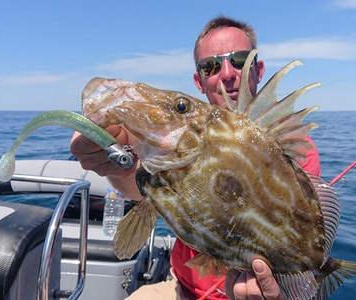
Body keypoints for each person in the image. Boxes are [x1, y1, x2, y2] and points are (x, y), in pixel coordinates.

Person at [71, 16, 321, 300]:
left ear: (258, 69)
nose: (227, 73)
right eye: (211, 66)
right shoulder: (173, 140)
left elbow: (297, 230)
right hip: (183, 288)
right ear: (198, 80)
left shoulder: (291, 146)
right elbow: (140, 189)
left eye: (240, 60)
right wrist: (115, 164)